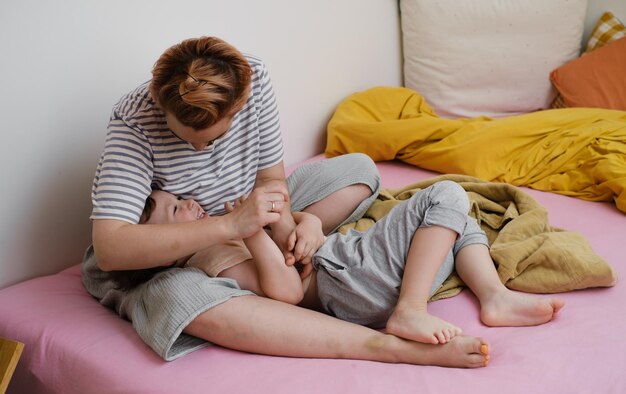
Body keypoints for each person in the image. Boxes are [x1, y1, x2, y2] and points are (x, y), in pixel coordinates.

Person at [82, 35, 489, 367]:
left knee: (358, 168)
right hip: (185, 245)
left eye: (217, 136)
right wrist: (231, 226)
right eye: (190, 136)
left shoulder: (252, 79)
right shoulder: (133, 123)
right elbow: (112, 251)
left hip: (250, 217)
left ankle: (481, 292)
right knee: (177, 298)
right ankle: (380, 346)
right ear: (159, 101)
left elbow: (272, 183)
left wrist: (296, 223)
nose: (205, 149)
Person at [140, 181, 564, 349]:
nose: (189, 204)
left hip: (345, 266)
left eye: (179, 197)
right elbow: (286, 291)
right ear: (165, 248)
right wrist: (250, 229)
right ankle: (410, 310)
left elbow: (293, 244)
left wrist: (303, 222)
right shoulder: (209, 256)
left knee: (456, 220)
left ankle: (494, 297)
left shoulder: (224, 234)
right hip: (345, 281)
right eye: (174, 211)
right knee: (446, 195)